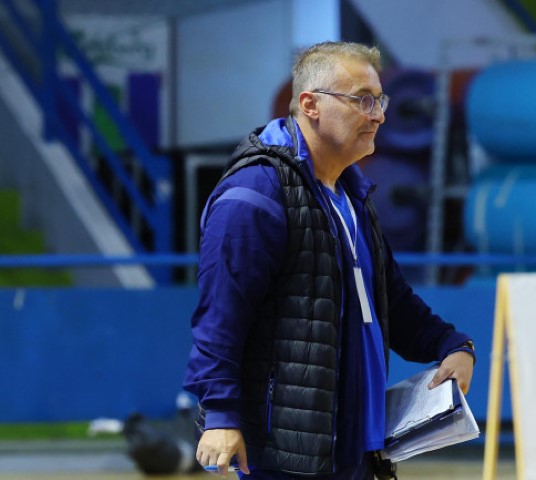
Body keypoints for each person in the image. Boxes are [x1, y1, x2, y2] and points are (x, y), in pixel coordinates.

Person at [183, 41, 476, 479]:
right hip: (286, 455)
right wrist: (221, 414)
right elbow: (220, 317)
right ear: (310, 104)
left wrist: (451, 344)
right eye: (362, 100)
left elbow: (389, 298)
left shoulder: (351, 194)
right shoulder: (255, 194)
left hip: (353, 449)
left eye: (380, 100)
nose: (378, 115)